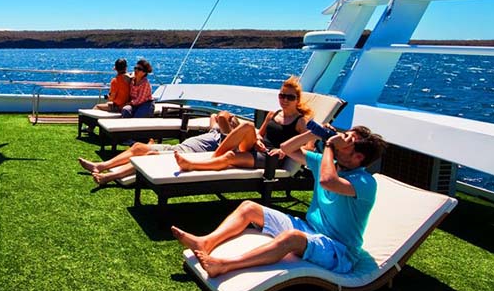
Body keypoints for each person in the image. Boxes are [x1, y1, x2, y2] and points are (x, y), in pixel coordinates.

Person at [171, 124, 387, 277]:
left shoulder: (364, 182)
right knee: (249, 207)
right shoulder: (326, 161)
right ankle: (205, 242)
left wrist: (330, 146)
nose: (341, 139)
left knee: (292, 237)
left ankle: (224, 265)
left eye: (348, 141)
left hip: (339, 250)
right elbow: (286, 149)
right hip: (310, 228)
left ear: (359, 157)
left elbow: (327, 181)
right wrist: (313, 133)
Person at [174, 75, 312, 172]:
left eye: (290, 97)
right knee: (248, 126)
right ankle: (214, 158)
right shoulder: (273, 114)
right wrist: (258, 140)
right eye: (282, 95)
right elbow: (260, 134)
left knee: (230, 157)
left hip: (271, 158)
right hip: (258, 149)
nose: (285, 100)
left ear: (297, 99)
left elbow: (309, 149)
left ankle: (193, 165)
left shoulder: (301, 121)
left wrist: (284, 150)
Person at [79, 111, 239, 185]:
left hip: (187, 155)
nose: (230, 121)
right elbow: (214, 117)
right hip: (178, 146)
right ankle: (100, 166)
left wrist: (231, 121)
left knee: (151, 154)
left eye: (233, 122)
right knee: (138, 147)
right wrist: (229, 119)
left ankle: (109, 177)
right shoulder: (215, 131)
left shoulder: (226, 139)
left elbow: (222, 118)